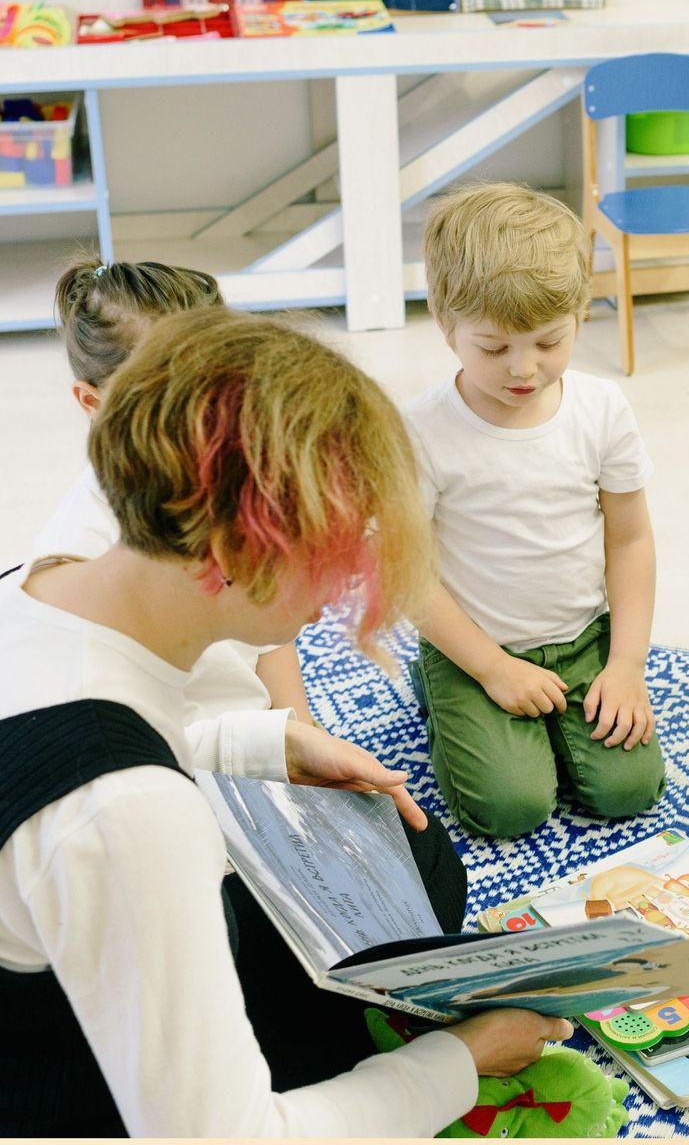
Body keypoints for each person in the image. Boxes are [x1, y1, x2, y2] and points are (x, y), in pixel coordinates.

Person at [0, 307, 571, 1137]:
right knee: (373, 967)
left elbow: (37, 755)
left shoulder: (38, 580)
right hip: (52, 1085)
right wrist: (464, 1059)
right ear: (240, 549)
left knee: (415, 865)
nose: (344, 588)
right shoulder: (130, 815)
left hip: (47, 947)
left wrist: (264, 742)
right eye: (338, 552)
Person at [405, 182, 666, 838]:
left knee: (629, 791)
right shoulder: (421, 431)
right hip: (476, 644)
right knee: (511, 808)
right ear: (445, 326)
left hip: (583, 641)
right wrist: (490, 669)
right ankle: (437, 688)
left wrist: (627, 665)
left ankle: (537, 711)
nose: (524, 369)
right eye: (493, 348)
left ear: (580, 314)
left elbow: (630, 542)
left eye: (550, 342)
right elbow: (404, 573)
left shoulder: (601, 410)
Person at [40, 255, 336, 788]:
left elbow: (271, 630)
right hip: (173, 769)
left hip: (264, 746)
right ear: (93, 402)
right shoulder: (83, 554)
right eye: (167, 399)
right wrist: (267, 752)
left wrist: (299, 729)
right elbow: (121, 736)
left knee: (425, 855)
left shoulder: (236, 474)